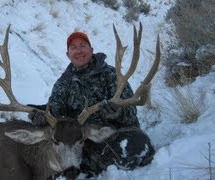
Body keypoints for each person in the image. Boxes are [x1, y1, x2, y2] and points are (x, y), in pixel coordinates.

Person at [28, 31, 155, 176]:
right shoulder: (63, 83)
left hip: (116, 134)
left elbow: (131, 110)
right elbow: (55, 112)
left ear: (91, 50)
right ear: (68, 54)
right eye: (73, 47)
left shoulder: (111, 75)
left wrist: (117, 112)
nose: (79, 51)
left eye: (83, 45)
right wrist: (40, 114)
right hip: (84, 141)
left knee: (133, 147)